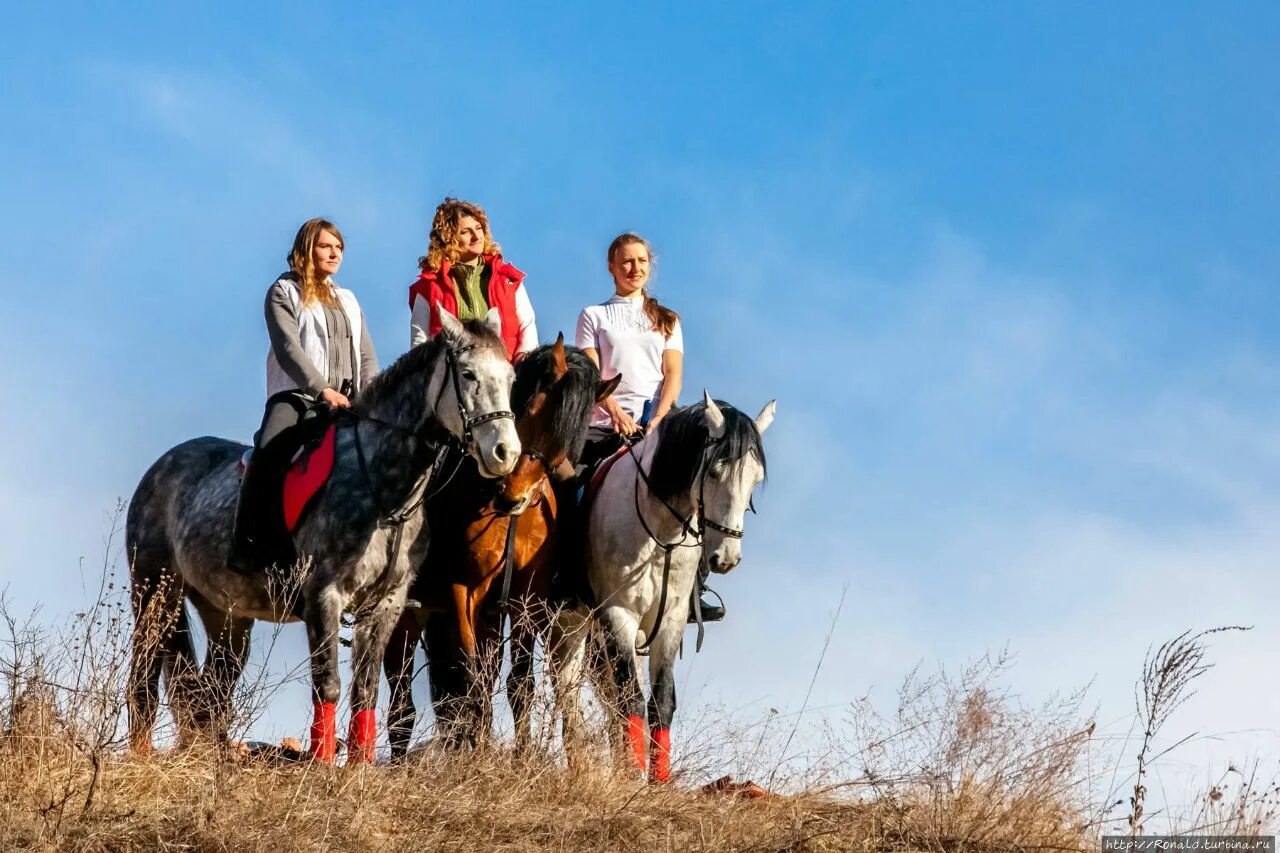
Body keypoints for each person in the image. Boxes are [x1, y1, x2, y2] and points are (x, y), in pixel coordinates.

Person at [574, 232, 723, 623]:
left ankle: (695, 588)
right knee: (569, 484)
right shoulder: (594, 315)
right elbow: (591, 371)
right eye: (626, 261)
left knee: (699, 488)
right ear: (612, 267)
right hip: (606, 425)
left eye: (641, 261)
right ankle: (568, 575)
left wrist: (659, 416)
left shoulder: (668, 320)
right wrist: (616, 413)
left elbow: (672, 374)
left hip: (657, 425)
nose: (634, 268)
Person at [231, 218, 379, 570]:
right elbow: (288, 349)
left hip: (347, 402)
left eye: (339, 247)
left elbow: (367, 356)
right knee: (268, 453)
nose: (335, 253)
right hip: (297, 397)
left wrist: (370, 397)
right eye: (326, 246)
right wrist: (322, 389)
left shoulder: (348, 298)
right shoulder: (283, 292)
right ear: (306, 249)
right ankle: (247, 546)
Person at [408, 198, 537, 361]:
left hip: (511, 375)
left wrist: (524, 356)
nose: (477, 236)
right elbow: (419, 344)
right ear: (448, 240)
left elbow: (528, 326)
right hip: (454, 380)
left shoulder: (508, 280)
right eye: (466, 232)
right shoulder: (428, 288)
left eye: (478, 228)